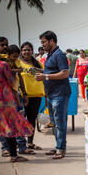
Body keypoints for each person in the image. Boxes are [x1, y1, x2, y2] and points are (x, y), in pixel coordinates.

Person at [0, 41, 33, 164]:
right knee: (9, 126)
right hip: (4, 100)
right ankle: (14, 155)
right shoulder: (2, 64)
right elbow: (10, 82)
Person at [35, 31, 71, 160]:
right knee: (54, 123)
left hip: (60, 94)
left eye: (44, 42)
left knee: (59, 123)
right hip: (51, 94)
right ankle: (58, 146)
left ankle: (61, 149)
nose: (43, 45)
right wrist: (40, 72)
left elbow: (65, 73)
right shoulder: (50, 55)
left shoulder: (59, 54)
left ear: (51, 41)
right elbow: (51, 71)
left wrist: (45, 76)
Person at [0, 45, 32, 156]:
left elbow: (20, 77)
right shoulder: (2, 62)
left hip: (16, 95)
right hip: (4, 97)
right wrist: (16, 70)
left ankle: (22, 146)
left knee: (20, 121)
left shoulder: (17, 61)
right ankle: (5, 148)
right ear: (8, 55)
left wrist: (24, 93)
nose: (15, 58)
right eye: (13, 56)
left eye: (17, 56)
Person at [19, 41, 45, 150]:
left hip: (36, 95)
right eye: (24, 50)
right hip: (22, 96)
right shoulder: (17, 63)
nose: (26, 52)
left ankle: (30, 142)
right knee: (21, 120)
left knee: (31, 120)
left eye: (28, 50)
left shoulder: (38, 63)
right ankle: (20, 144)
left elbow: (44, 74)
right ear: (21, 51)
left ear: (32, 51)